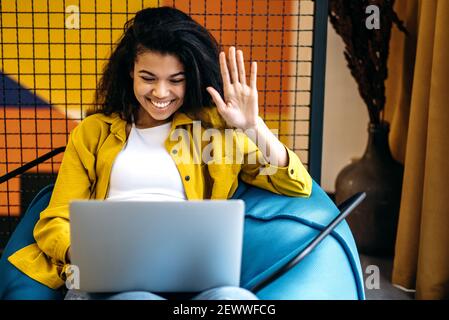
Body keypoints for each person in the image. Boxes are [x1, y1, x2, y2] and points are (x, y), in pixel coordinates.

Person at [8, 6, 312, 300]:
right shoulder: (93, 133)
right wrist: (90, 257)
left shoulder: (215, 131)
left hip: (189, 278)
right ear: (131, 72)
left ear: (190, 78)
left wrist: (252, 126)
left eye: (175, 80)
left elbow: (296, 185)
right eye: (148, 78)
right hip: (108, 282)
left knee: (235, 298)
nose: (161, 93)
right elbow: (53, 222)